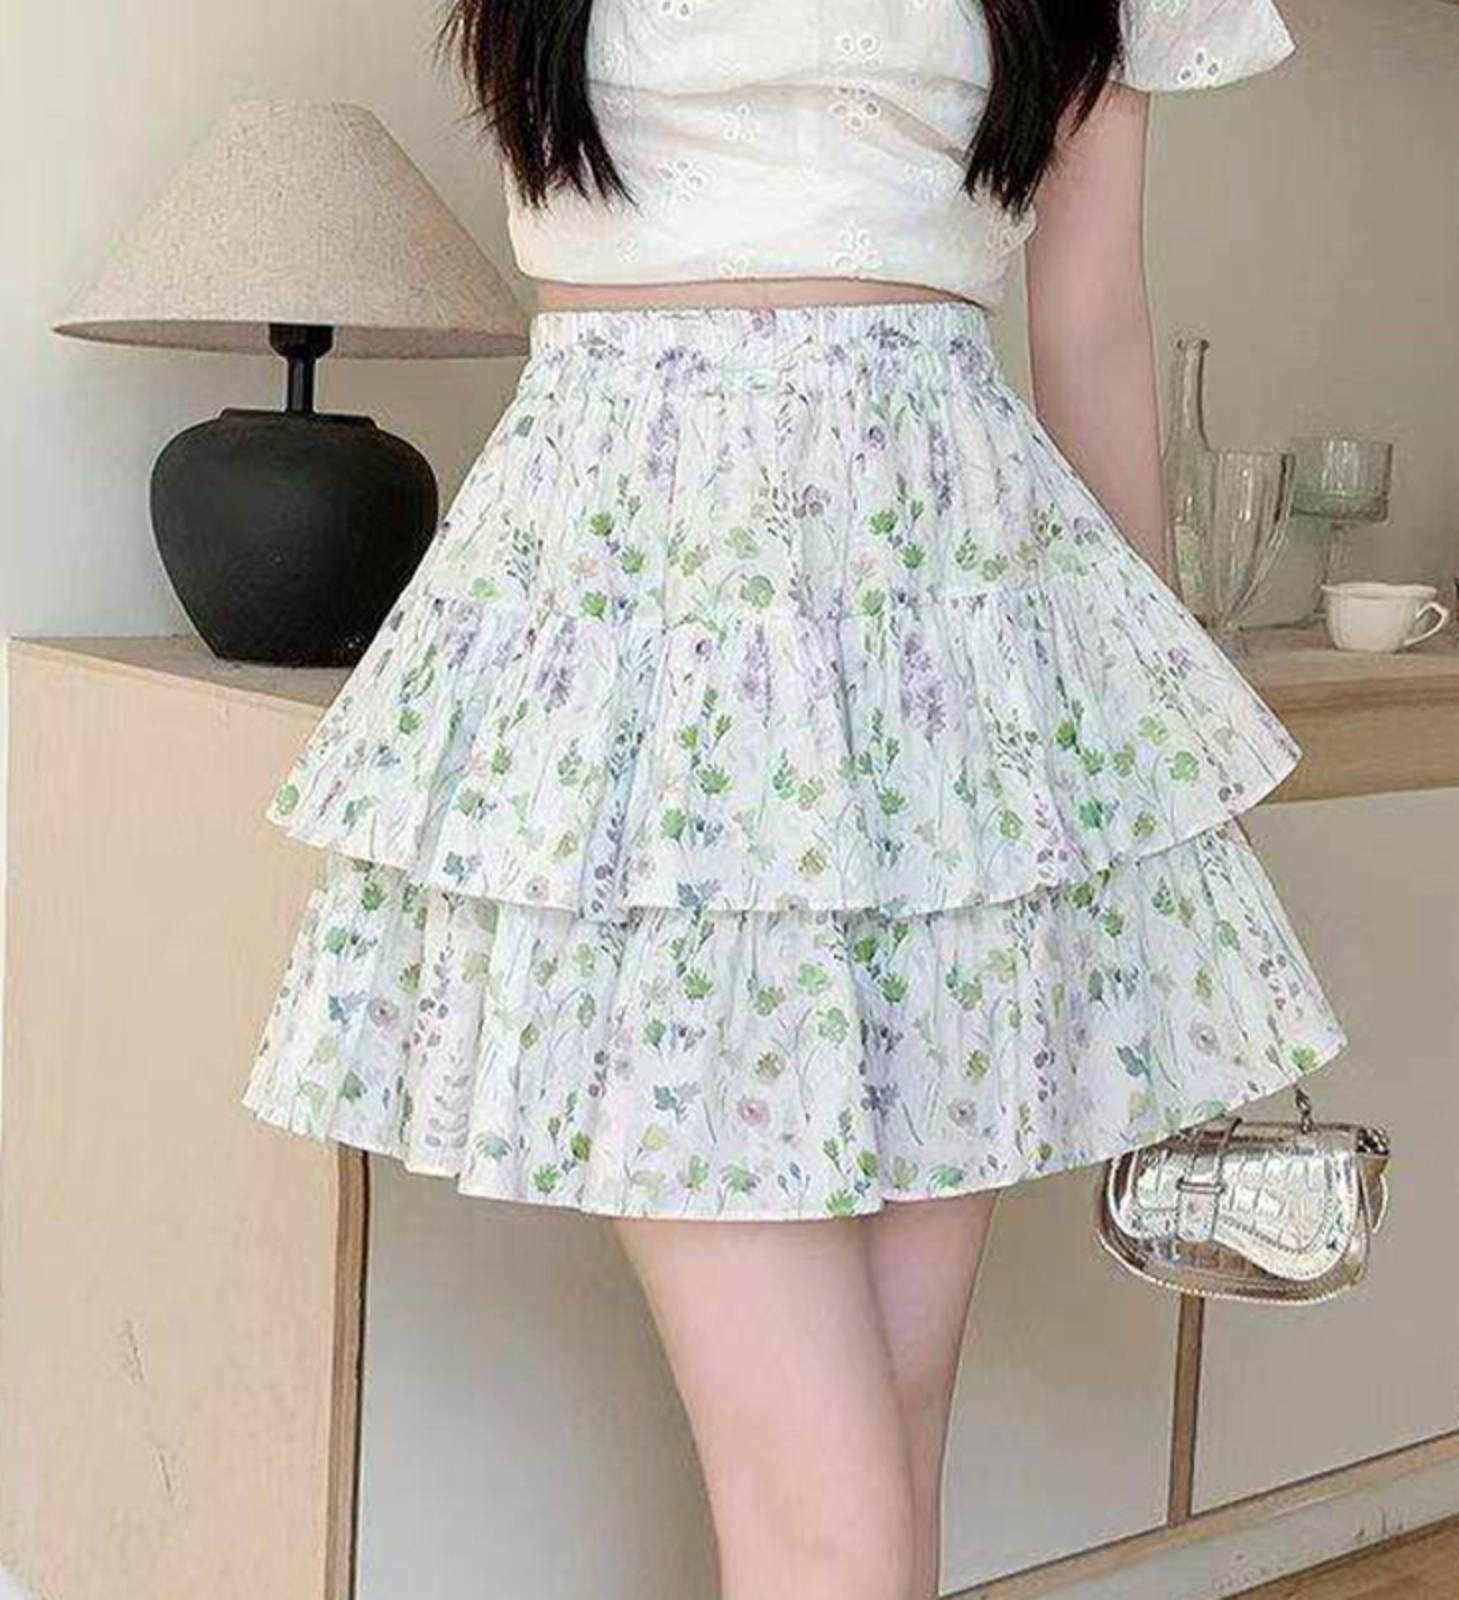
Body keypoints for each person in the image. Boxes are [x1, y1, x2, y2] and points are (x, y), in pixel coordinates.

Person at [244, 4, 1346, 1596]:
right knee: (831, 1496)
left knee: (889, 1432)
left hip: (952, 666)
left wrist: (1153, 731)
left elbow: (1095, 321)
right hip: (646, 667)